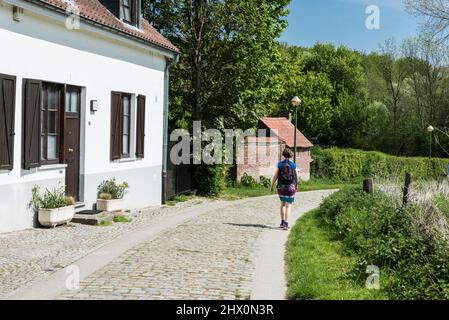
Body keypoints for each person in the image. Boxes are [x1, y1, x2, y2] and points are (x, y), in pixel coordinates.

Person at [270, 148, 298, 230]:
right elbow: (296, 176)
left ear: (283, 155)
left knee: (282, 204)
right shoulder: (293, 165)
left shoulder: (280, 164)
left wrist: (272, 185)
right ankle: (286, 223)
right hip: (290, 187)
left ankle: (282, 222)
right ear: (291, 155)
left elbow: (275, 176)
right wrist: (296, 185)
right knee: (288, 206)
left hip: (281, 187)